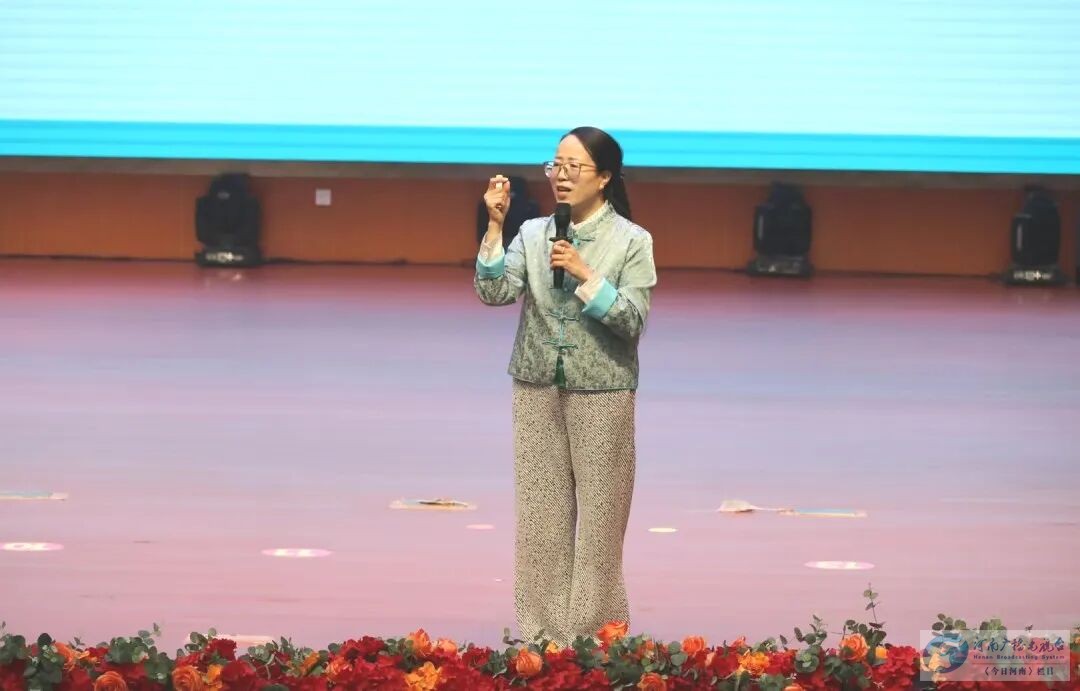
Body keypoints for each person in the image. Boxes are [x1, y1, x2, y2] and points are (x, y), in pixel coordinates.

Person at [473, 126, 657, 646]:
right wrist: (495, 226)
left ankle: (594, 638)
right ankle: (543, 636)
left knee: (600, 520)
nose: (561, 175)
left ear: (604, 177)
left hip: (603, 391)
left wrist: (585, 274)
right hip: (536, 386)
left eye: (575, 166)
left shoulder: (632, 240)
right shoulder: (533, 233)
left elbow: (632, 320)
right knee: (541, 518)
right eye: (556, 164)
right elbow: (493, 292)